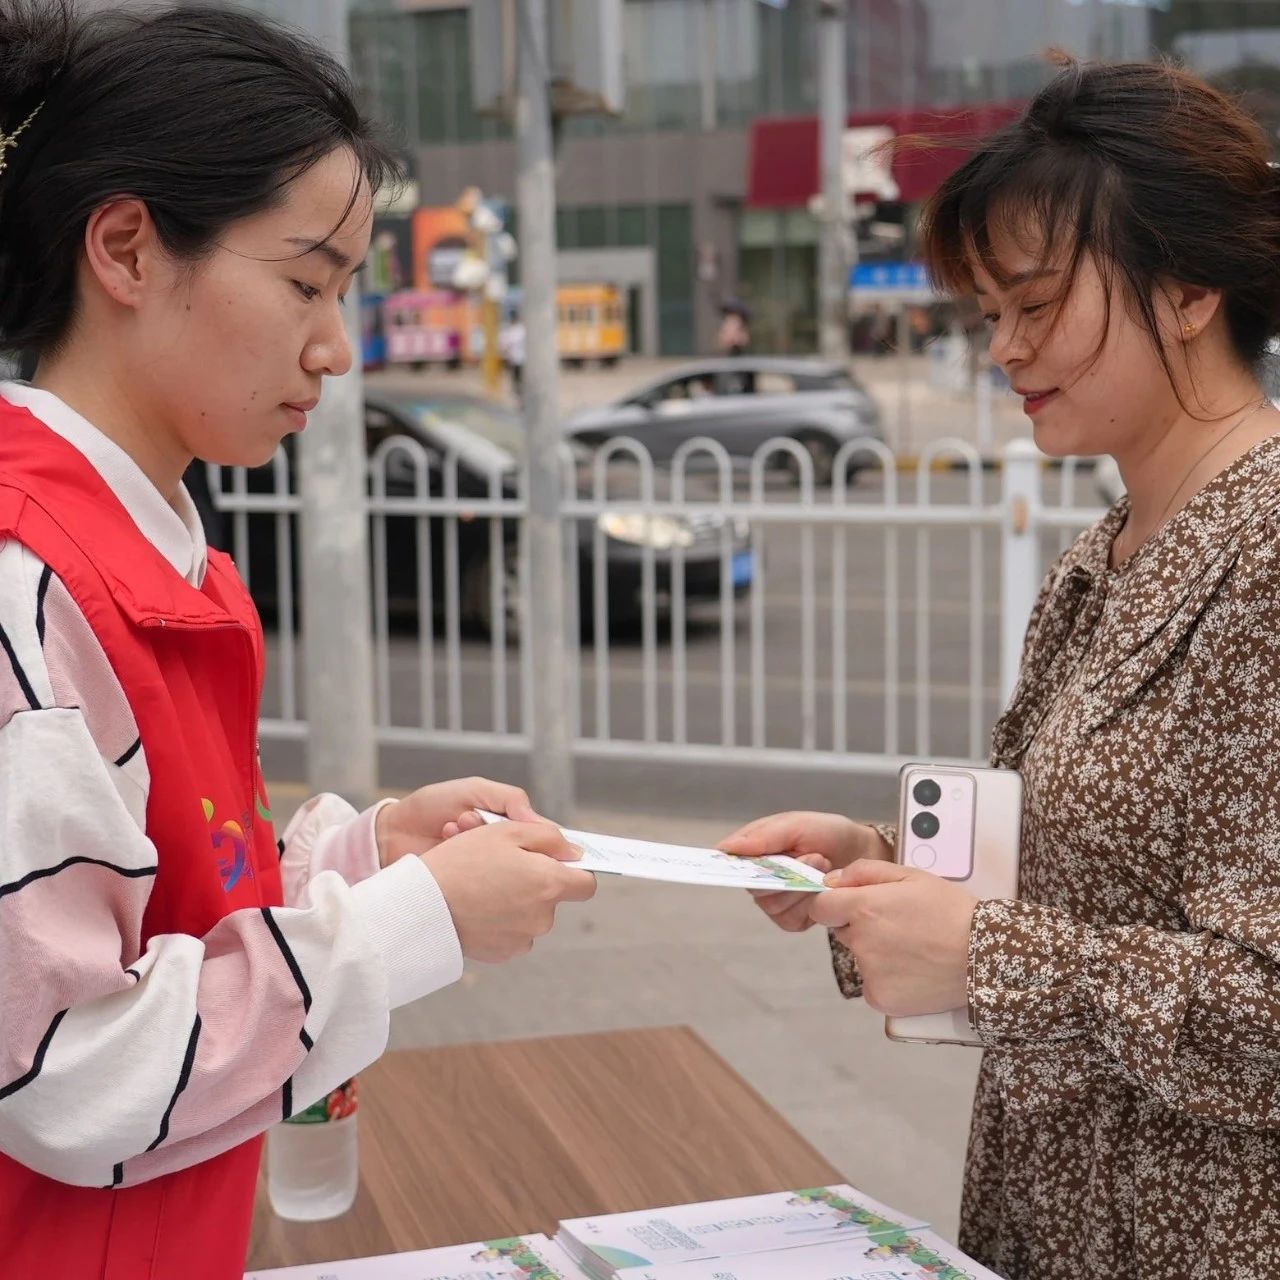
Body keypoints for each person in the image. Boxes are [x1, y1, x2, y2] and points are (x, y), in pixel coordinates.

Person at [0, 4, 595, 1277]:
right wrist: (407, 924)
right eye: (304, 281)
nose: (333, 345)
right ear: (126, 247)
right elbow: (62, 1065)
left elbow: (161, 888)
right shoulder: (27, 587)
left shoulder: (155, 547)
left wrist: (368, 853)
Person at [723, 58, 1280, 1280]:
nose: (1003, 348)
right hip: (1048, 1215)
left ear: (1187, 287)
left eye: (1033, 304)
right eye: (988, 313)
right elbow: (1065, 863)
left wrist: (984, 955)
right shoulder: (1105, 551)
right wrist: (872, 864)